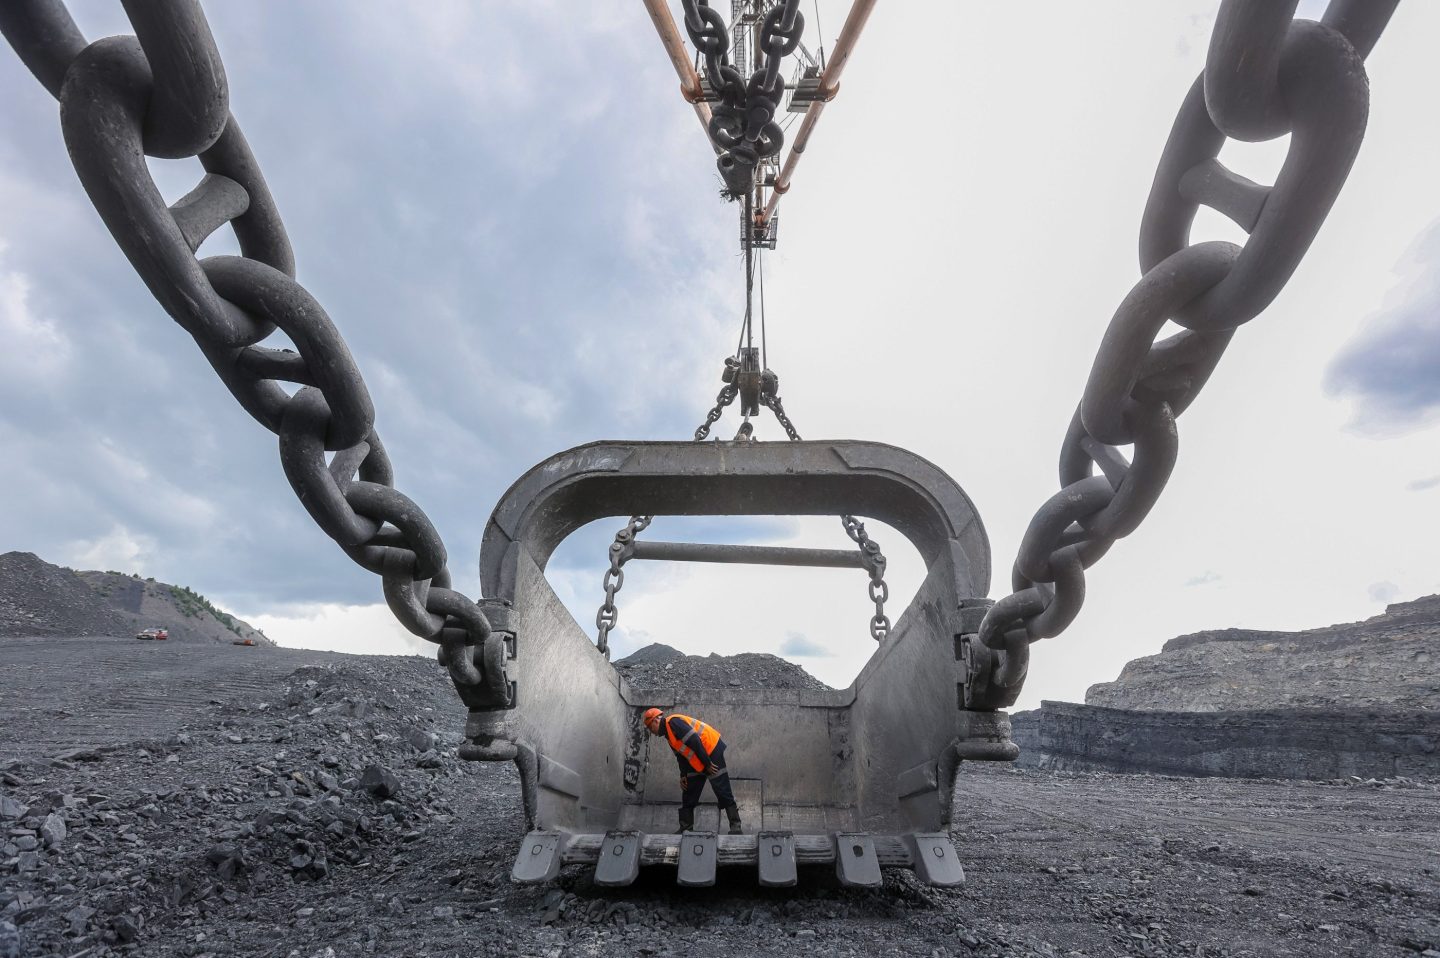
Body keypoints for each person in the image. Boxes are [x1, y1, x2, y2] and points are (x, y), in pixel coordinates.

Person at [643, 707, 743, 835]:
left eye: (651, 728)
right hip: (698, 757)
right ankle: (686, 828)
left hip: (710, 751)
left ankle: (736, 826)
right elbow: (681, 756)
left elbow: (695, 740)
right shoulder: (669, 735)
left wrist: (707, 763)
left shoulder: (673, 723)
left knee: (722, 788)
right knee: (689, 791)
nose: (652, 732)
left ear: (656, 721)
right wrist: (683, 775)